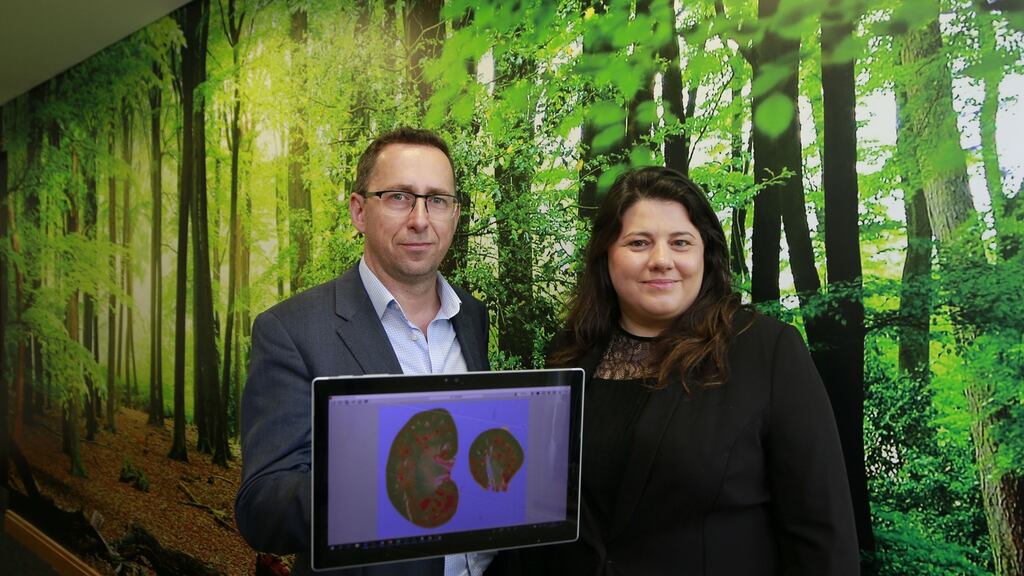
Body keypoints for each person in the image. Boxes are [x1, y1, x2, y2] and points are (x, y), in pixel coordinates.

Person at [521, 166, 860, 575]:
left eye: (680, 242)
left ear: (706, 254)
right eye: (638, 242)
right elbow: (542, 517)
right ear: (606, 255)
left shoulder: (767, 351)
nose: (661, 260)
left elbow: (822, 536)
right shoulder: (568, 356)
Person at [235, 127, 496, 576]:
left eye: (437, 200)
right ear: (359, 211)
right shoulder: (291, 331)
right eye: (398, 197)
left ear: (454, 214)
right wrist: (383, 486)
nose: (420, 218)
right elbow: (262, 509)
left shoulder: (471, 317)